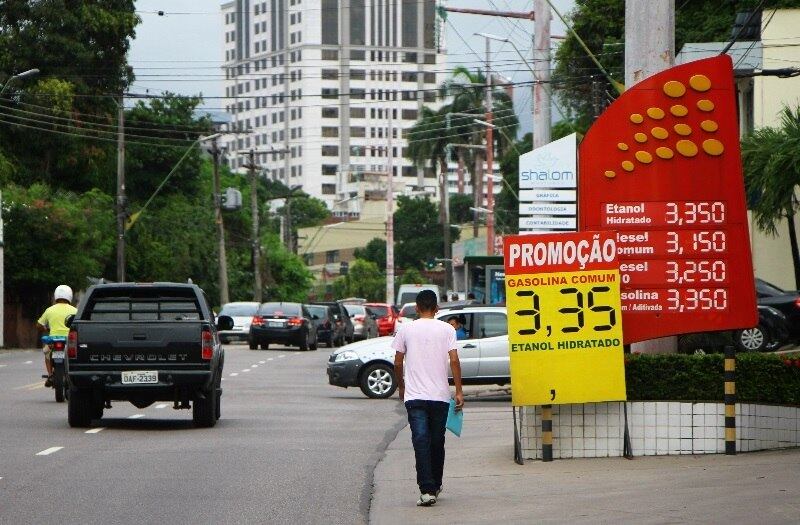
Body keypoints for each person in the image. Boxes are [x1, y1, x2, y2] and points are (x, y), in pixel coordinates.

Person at [392, 290, 464, 507]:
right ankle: (433, 485)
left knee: (420, 441)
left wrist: (402, 386)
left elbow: (397, 362)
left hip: (414, 397)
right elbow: (454, 361)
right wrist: (459, 391)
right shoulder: (447, 329)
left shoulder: (406, 329)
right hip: (440, 397)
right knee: (436, 441)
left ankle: (427, 490)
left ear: (416, 308)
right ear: (437, 309)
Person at [36, 285, 77, 387]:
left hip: (53, 342)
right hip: (69, 341)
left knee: (46, 353)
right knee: (75, 356)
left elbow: (39, 325)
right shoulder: (75, 310)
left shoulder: (49, 310)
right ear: (70, 296)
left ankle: (50, 375)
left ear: (56, 296)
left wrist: (46, 329)